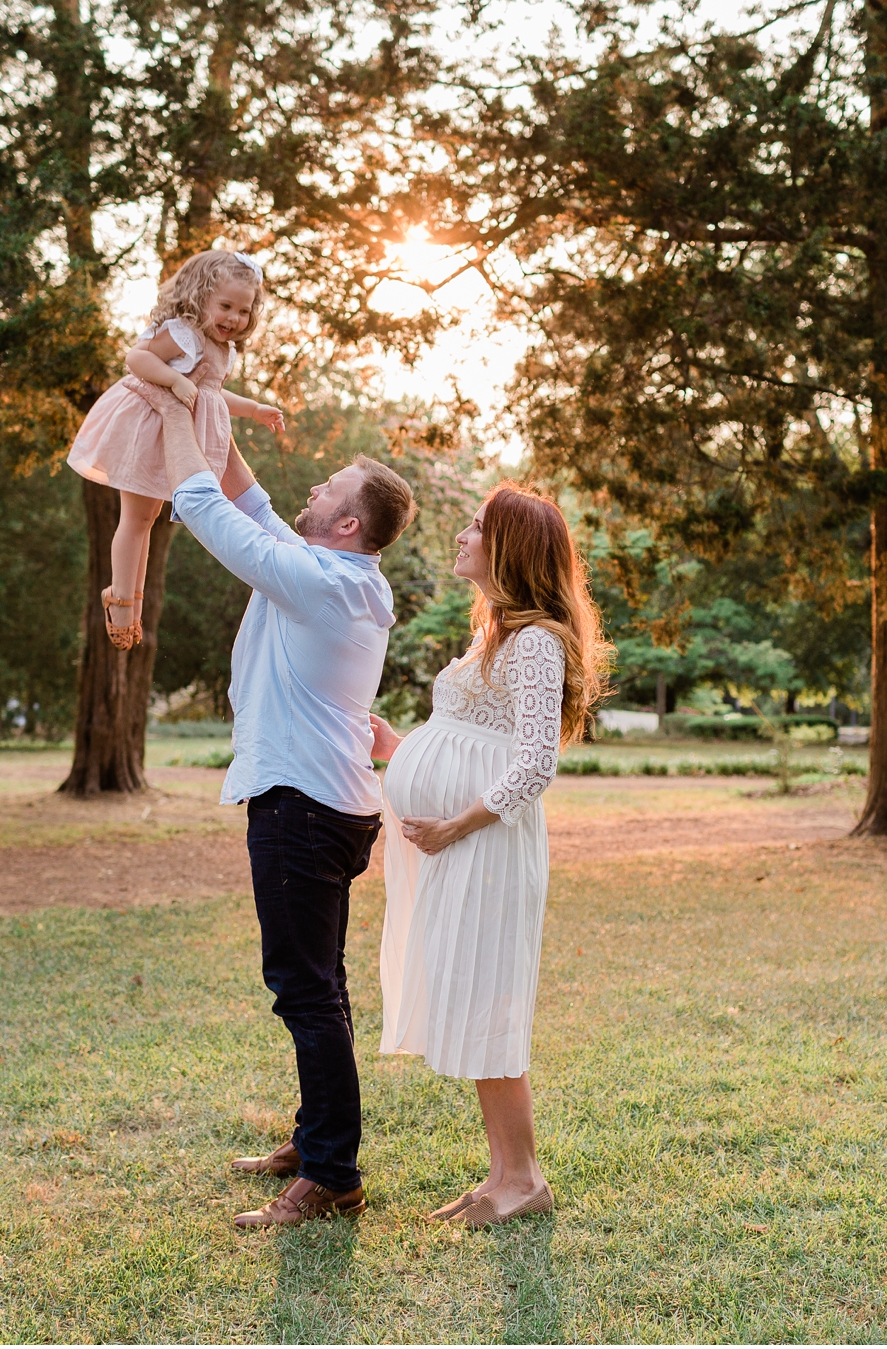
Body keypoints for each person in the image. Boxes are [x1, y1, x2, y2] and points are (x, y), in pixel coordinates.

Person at [155, 392, 418, 1230]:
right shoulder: (335, 574)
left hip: (302, 807)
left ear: (348, 525)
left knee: (304, 991)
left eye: (330, 487)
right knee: (320, 985)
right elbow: (251, 499)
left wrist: (166, 412)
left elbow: (206, 507)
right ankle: (314, 1143)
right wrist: (209, 406)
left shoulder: (317, 583)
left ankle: (333, 1174)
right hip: (324, 802)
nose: (312, 489)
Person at [368, 484, 610, 1228]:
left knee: (491, 1001)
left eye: (476, 526)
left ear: (508, 548)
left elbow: (534, 763)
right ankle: (503, 1172)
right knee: (473, 998)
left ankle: (525, 1178)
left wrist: (456, 825)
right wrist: (401, 751)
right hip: (464, 843)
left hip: (489, 846)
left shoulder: (536, 642)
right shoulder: (495, 633)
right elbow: (477, 741)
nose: (462, 534)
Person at [65, 248, 287, 650]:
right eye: (225, 306)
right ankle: (120, 600)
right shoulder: (183, 332)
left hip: (175, 440)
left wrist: (253, 409)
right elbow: (136, 358)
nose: (233, 319)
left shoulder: (224, 348)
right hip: (148, 427)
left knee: (148, 519)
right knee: (134, 517)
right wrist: (173, 379)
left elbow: (213, 395)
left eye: (243, 310)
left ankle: (133, 599)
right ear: (200, 296)